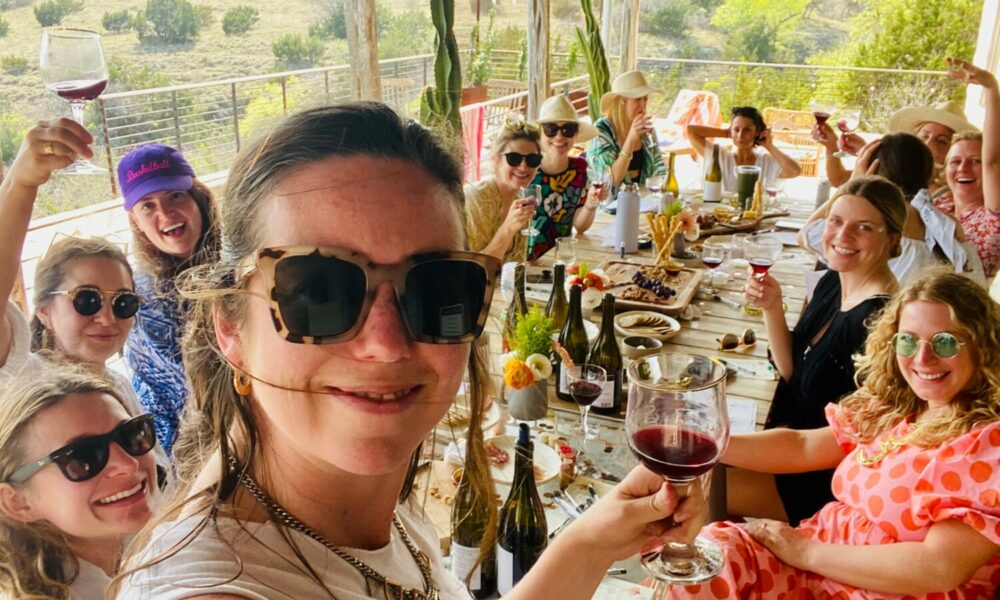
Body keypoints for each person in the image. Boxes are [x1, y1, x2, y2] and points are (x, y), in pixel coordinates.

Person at [112, 103, 704, 599]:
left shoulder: (358, 498)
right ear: (231, 328)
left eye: (438, 287)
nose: (387, 344)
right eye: (318, 292)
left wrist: (591, 541)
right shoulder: (216, 587)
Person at [671, 269, 1000, 599]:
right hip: (815, 565)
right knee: (707, 558)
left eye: (945, 342)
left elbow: (938, 568)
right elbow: (803, 446)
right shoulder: (898, 405)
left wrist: (805, 552)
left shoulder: (987, 444)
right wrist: (707, 443)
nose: (923, 358)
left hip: (873, 587)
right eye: (908, 340)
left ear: (983, 346)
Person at [742, 176, 902, 525]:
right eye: (836, 221)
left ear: (892, 238)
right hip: (789, 445)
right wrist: (772, 306)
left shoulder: (880, 323)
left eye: (863, 227)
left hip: (819, 481)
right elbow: (792, 371)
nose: (843, 236)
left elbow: (855, 442)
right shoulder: (833, 280)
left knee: (693, 481)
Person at [0, 120, 143, 416]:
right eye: (87, 299)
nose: (107, 318)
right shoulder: (22, 381)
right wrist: (20, 185)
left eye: (124, 303)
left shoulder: (118, 386)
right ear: (44, 310)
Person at [0, 365, 159, 599]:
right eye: (82, 457)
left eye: (131, 435)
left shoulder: (159, 544)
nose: (128, 464)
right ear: (17, 502)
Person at [118, 143, 219, 455]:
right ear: (136, 220)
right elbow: (200, 390)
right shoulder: (145, 299)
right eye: (147, 206)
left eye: (175, 195)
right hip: (185, 444)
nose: (165, 214)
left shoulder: (235, 256)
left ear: (197, 197)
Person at [800, 133, 985, 286]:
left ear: (872, 172)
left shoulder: (876, 219)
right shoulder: (945, 225)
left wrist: (853, 184)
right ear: (929, 175)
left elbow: (806, 236)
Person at [816, 90, 977, 203]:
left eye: (941, 141)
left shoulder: (951, 191)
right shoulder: (901, 170)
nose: (928, 144)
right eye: (924, 136)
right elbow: (838, 179)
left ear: (953, 151)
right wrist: (831, 146)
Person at [941, 59, 1000, 278]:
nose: (963, 168)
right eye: (955, 162)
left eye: (975, 161)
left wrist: (991, 88)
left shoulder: (991, 219)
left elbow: (993, 162)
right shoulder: (938, 204)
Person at [527, 94, 605, 260]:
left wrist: (591, 204)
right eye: (551, 129)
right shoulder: (526, 168)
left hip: (562, 258)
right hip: (526, 260)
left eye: (567, 130)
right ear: (539, 134)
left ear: (575, 135)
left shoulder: (580, 169)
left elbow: (580, 227)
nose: (559, 137)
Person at [464, 120, 541, 264]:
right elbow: (475, 269)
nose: (523, 167)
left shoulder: (521, 198)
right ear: (496, 159)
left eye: (533, 159)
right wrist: (508, 228)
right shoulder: (475, 199)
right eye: (514, 158)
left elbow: (518, 263)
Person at [687, 105, 801, 192]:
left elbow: (794, 171)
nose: (740, 135)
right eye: (737, 129)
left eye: (747, 130)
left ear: (757, 132)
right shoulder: (719, 157)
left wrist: (769, 146)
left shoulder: (766, 161)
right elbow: (691, 131)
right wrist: (726, 133)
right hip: (722, 214)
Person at [587, 70, 666, 194]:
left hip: (643, 200)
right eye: (637, 99)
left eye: (645, 99)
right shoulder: (601, 131)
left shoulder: (646, 130)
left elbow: (659, 169)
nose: (643, 105)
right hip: (611, 204)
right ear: (622, 102)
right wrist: (631, 139)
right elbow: (611, 182)